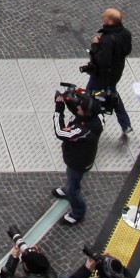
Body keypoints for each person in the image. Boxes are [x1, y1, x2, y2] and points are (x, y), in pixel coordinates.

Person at [82, 8, 134, 135]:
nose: (102, 17)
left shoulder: (108, 40)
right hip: (116, 72)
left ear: (110, 21)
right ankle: (125, 124)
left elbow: (101, 59)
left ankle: (86, 119)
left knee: (91, 94)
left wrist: (95, 45)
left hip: (102, 74)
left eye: (104, 16)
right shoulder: (126, 33)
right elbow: (127, 51)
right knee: (110, 93)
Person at [53, 88, 101, 226]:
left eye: (80, 107)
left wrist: (59, 109)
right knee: (71, 178)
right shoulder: (93, 118)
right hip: (78, 158)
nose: (77, 108)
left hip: (78, 162)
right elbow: (78, 112)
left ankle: (78, 213)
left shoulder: (84, 130)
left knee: (74, 187)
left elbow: (60, 132)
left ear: (86, 112)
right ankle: (67, 188)